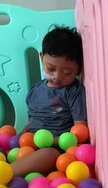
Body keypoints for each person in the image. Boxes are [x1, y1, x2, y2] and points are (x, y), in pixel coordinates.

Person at [11, 26, 87, 177]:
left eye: (67, 72)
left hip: (57, 148)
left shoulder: (73, 92)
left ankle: (6, 173)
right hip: (29, 145)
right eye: (51, 68)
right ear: (41, 58)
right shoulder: (35, 90)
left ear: (78, 70)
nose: (57, 77)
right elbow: (33, 120)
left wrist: (53, 141)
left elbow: (80, 131)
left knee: (49, 155)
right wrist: (22, 134)